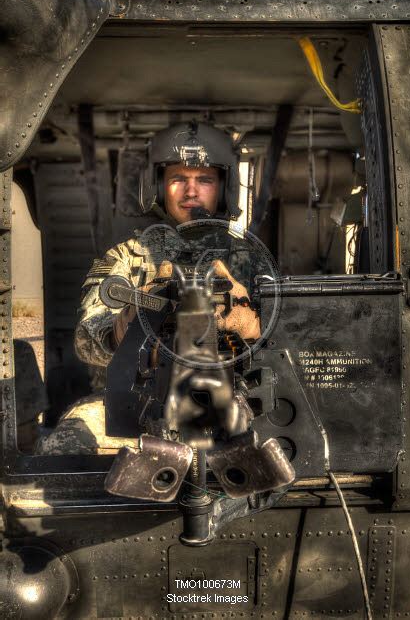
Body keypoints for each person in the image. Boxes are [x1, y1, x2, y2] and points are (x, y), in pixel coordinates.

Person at [37, 122, 262, 455]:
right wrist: (128, 323)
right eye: (178, 179)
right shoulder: (125, 257)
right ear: (157, 186)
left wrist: (252, 325)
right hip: (134, 401)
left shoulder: (251, 259)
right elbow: (86, 340)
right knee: (65, 447)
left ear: (223, 187)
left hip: (232, 395)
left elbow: (287, 341)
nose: (191, 191)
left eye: (204, 180)